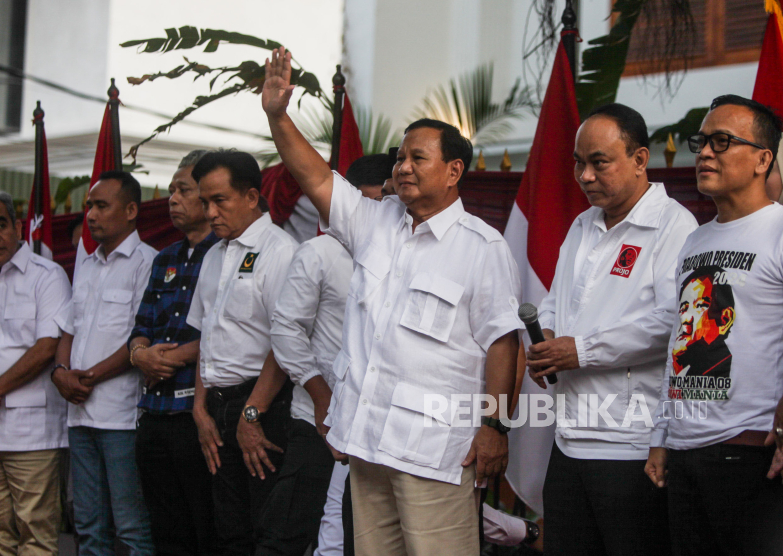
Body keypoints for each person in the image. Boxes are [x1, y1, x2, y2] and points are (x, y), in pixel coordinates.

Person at [263, 47, 522, 555]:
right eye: (400, 157)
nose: (402, 167)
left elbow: (502, 343)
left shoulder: (481, 246)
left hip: (434, 454)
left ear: (453, 171)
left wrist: (494, 427)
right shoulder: (374, 223)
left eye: (416, 158)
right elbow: (315, 177)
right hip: (368, 444)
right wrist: (278, 117)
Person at [525, 103, 698, 556]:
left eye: (599, 162)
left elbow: (675, 324)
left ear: (640, 159)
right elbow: (555, 303)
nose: (584, 176)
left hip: (631, 445)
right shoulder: (583, 224)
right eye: (579, 163)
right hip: (567, 438)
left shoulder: (674, 226)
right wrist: (544, 344)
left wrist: (580, 350)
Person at [646, 94, 783, 555]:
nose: (704, 152)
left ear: (763, 159)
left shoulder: (779, 231)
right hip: (685, 452)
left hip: (752, 449)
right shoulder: (695, 240)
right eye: (702, 141)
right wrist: (662, 437)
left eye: (721, 141)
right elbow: (679, 341)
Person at [245, 154, 393, 556]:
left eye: (386, 202)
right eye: (372, 201)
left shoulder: (399, 255)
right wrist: (320, 394)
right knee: (287, 533)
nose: (378, 213)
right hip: (316, 421)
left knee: (354, 537)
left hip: (375, 424)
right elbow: (286, 330)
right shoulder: (319, 253)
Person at [187, 150, 298, 555]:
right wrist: (200, 409)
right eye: (205, 202)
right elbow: (207, 335)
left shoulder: (280, 250)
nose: (210, 212)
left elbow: (285, 344)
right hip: (216, 409)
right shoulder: (214, 255)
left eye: (220, 201)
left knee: (266, 533)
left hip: (262, 408)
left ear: (252, 197)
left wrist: (252, 414)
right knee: (228, 533)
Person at [0, 191, 72, 555]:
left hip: (31, 434)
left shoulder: (47, 276)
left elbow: (47, 346)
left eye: (0, 225)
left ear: (18, 227)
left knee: (36, 538)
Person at [52, 171, 156, 556]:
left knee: (130, 526)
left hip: (120, 418)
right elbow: (67, 329)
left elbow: (139, 338)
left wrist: (87, 377)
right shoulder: (88, 264)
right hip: (79, 417)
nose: (91, 215)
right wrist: (60, 373)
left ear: (131, 210)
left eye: (101, 206)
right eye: (88, 207)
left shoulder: (148, 263)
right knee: (88, 525)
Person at [128, 150, 220, 556]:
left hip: (196, 415)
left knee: (206, 528)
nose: (172, 199)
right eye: (171, 191)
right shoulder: (164, 257)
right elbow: (141, 328)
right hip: (153, 411)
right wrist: (139, 355)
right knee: (165, 531)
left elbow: (230, 332)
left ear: (208, 194)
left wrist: (175, 357)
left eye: (183, 190)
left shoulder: (225, 254)